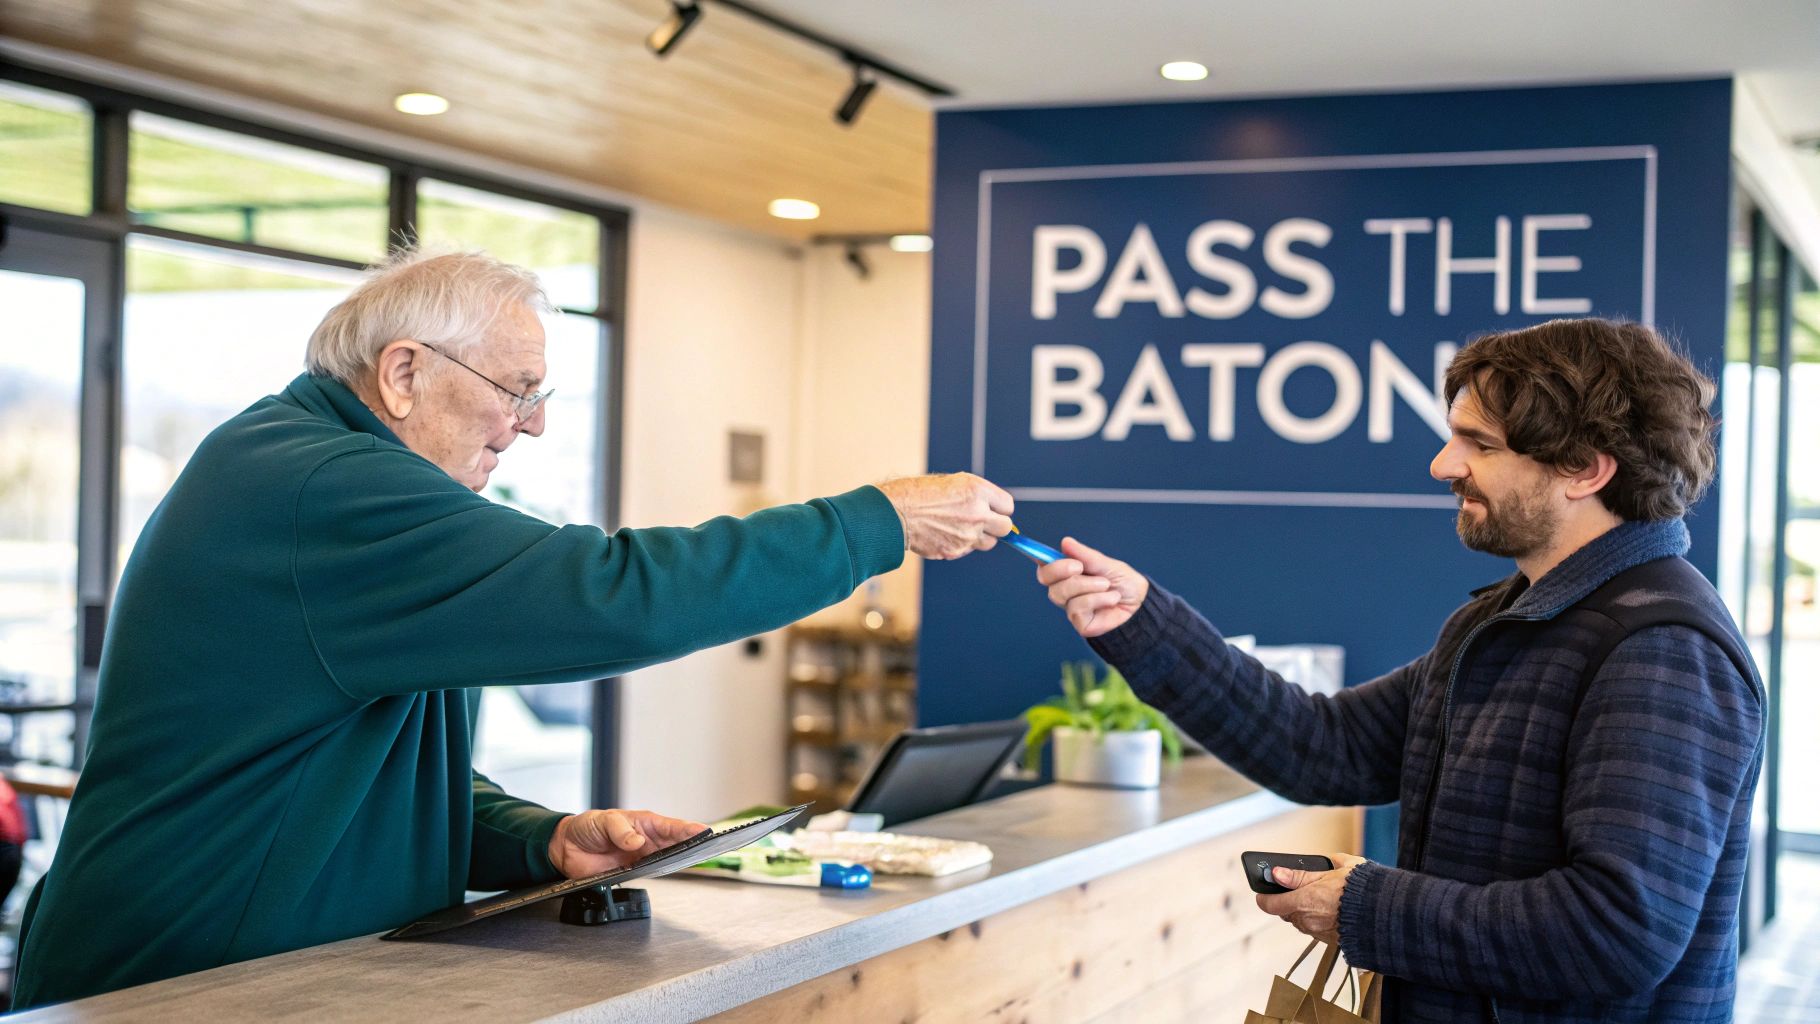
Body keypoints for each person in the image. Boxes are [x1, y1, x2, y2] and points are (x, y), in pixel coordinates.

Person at [13, 247, 1014, 1008]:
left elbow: (366, 770)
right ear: (402, 374)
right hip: (173, 988)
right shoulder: (322, 486)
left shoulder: (324, 474)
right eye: (512, 390)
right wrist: (873, 520)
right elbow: (611, 592)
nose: (527, 424)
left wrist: (543, 840)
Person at [1038, 319, 1763, 1023]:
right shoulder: (1503, 621)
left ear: (1585, 469)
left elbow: (1615, 931)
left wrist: (1364, 907)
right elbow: (1321, 745)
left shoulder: (1663, 647)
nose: (1443, 465)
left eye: (1477, 443)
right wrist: (1141, 623)